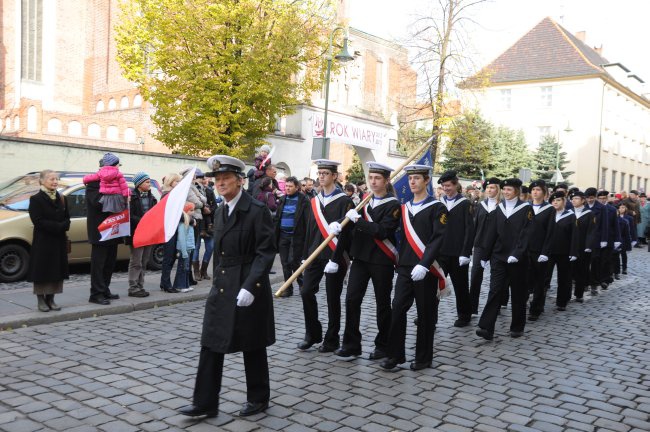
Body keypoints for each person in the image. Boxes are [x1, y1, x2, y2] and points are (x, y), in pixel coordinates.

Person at [179, 155, 276, 419]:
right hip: (223, 286)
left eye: (225, 179)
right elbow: (220, 254)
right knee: (211, 341)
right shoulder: (221, 211)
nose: (220, 183)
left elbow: (265, 253)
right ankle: (205, 402)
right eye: (217, 180)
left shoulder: (256, 211)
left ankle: (258, 397)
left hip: (247, 284)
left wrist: (251, 286)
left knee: (252, 342)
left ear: (240, 181)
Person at [380, 164, 447, 371]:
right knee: (398, 308)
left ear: (427, 180)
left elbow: (438, 239)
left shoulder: (437, 208)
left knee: (425, 313)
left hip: (425, 269)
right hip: (405, 267)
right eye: (410, 179)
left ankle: (424, 357)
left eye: (417, 178)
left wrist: (425, 265)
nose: (412, 182)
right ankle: (395, 355)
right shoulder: (404, 207)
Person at [334, 162, 400, 361]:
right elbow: (355, 230)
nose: (373, 181)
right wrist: (340, 226)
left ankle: (384, 345)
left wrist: (357, 220)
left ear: (387, 181)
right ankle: (351, 344)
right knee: (352, 300)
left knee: (382, 303)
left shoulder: (394, 205)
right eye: (370, 178)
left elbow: (382, 232)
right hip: (361, 258)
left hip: (381, 260)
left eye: (377, 178)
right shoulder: (365, 200)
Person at [297, 159, 354, 353]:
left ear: (334, 176)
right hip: (315, 254)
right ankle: (312, 333)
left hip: (334, 257)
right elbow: (309, 230)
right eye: (320, 173)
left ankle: (332, 339)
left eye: (326, 173)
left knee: (332, 298)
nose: (321, 176)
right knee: (306, 292)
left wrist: (337, 259)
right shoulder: (313, 201)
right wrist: (305, 255)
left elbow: (347, 234)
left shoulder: (345, 201)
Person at [476, 178, 532, 340]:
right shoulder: (499, 208)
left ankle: (517, 326)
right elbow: (492, 233)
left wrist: (517, 253)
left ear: (516, 191)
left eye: (509, 190)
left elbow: (527, 234)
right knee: (495, 290)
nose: (506, 192)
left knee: (518, 293)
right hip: (499, 256)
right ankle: (486, 327)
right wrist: (485, 255)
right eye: (504, 189)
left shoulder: (525, 209)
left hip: (517, 259)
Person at [28, 170, 70, 312]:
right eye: (51, 179)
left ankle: (51, 299)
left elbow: (67, 219)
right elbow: (38, 221)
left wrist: (63, 225)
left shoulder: (62, 198)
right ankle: (41, 300)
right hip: (43, 242)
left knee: (56, 271)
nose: (55, 182)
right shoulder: (36, 199)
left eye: (56, 179)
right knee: (42, 271)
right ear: (42, 181)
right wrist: (59, 226)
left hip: (58, 242)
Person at [437, 170, 474, 327]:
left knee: (461, 286)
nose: (446, 189)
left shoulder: (465, 204)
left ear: (456, 185)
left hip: (458, 253)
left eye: (448, 186)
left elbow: (469, 229)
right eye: (444, 186)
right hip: (441, 252)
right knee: (435, 285)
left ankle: (464, 315)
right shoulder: (440, 202)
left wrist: (465, 252)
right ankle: (430, 315)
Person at [86, 158, 122, 305]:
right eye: (116, 166)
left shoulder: (118, 183)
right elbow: (97, 203)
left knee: (109, 263)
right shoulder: (93, 183)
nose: (118, 168)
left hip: (113, 229)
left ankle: (105, 289)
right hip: (100, 230)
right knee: (99, 264)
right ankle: (96, 293)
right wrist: (117, 197)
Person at [469, 177, 500, 316]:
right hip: (480, 245)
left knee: (497, 278)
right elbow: (475, 225)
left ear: (498, 190)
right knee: (475, 275)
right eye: (487, 187)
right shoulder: (481, 205)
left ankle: (495, 307)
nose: (489, 190)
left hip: (497, 247)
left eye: (492, 187)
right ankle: (472, 307)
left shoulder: (503, 206)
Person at [274, 176, 308, 297]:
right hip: (283, 236)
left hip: (297, 237)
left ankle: (302, 284)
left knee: (293, 261)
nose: (287, 188)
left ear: (297, 187)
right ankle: (288, 288)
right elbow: (278, 217)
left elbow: (307, 220)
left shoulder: (303, 200)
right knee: (284, 263)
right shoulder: (282, 199)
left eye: (290, 186)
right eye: (286, 186)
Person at [545, 191, 578, 312]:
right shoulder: (548, 215)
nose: (555, 202)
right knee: (544, 277)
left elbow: (575, 235)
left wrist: (573, 252)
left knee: (564, 278)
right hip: (548, 251)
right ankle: (539, 302)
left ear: (563, 202)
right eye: (553, 201)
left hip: (564, 252)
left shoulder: (570, 216)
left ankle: (562, 302)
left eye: (558, 200)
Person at [126, 172, 157, 298]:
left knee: (144, 261)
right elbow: (129, 215)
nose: (149, 184)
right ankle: (133, 287)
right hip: (136, 233)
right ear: (139, 184)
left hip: (148, 234)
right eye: (147, 182)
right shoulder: (132, 197)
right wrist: (142, 221)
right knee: (136, 261)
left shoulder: (152, 197)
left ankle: (140, 285)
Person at [527, 180, 555, 321]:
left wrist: (545, 252)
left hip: (540, 251)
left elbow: (550, 232)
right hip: (526, 250)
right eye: (533, 190)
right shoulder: (526, 207)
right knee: (525, 280)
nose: (535, 192)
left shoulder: (549, 209)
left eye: (538, 190)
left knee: (539, 281)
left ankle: (536, 308)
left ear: (544, 193)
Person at [571, 191, 596, 303]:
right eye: (572, 198)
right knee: (569, 272)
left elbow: (591, 231)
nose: (574, 200)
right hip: (570, 246)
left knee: (581, 271)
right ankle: (566, 294)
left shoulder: (589, 214)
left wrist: (588, 245)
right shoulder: (569, 212)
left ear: (583, 200)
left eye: (576, 198)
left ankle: (579, 294)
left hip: (583, 246)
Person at [160, 173, 183, 293]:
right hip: (168, 229)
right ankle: (166, 283)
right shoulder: (166, 195)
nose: (179, 184)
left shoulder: (173, 194)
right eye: (177, 181)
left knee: (172, 255)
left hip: (173, 228)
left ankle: (164, 282)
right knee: (168, 257)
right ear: (170, 182)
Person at [584, 187, 608, 295]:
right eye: (588, 198)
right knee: (584, 262)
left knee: (594, 262)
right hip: (583, 239)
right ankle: (584, 283)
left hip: (596, 239)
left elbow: (604, 224)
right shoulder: (583, 206)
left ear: (595, 197)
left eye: (592, 198)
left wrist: (604, 239)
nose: (589, 200)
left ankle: (594, 284)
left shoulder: (601, 208)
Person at [597, 190, 622, 289]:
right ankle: (596, 279)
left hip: (609, 238)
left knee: (606, 260)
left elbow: (615, 225)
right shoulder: (596, 208)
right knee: (597, 260)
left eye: (604, 198)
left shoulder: (611, 209)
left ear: (607, 199)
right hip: (597, 238)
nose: (602, 200)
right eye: (600, 199)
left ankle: (605, 279)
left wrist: (617, 239)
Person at [174, 203, 196, 293]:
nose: (193, 212)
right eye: (191, 210)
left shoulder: (189, 222)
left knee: (186, 268)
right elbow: (182, 238)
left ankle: (186, 284)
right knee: (183, 267)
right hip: (185, 249)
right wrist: (184, 251)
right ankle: (180, 285)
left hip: (189, 248)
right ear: (186, 211)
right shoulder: (183, 223)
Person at [614, 204, 634, 277]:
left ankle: (624, 268)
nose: (621, 209)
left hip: (622, 240)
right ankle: (615, 270)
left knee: (623, 254)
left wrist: (630, 244)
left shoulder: (625, 220)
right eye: (620, 208)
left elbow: (629, 232)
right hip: (613, 240)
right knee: (615, 256)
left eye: (623, 207)